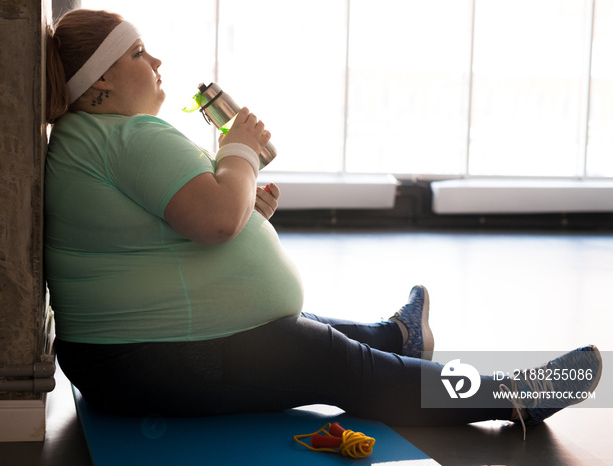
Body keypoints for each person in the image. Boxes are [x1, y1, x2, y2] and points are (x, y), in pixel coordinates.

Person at [44, 8, 602, 439]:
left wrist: (248, 213)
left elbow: (159, 233)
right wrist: (240, 150)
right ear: (99, 86)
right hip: (148, 359)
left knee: (306, 332)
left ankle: (397, 336)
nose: (157, 64)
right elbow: (214, 221)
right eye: (140, 53)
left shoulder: (87, 140)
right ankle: (509, 395)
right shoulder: (124, 135)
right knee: (339, 366)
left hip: (125, 360)